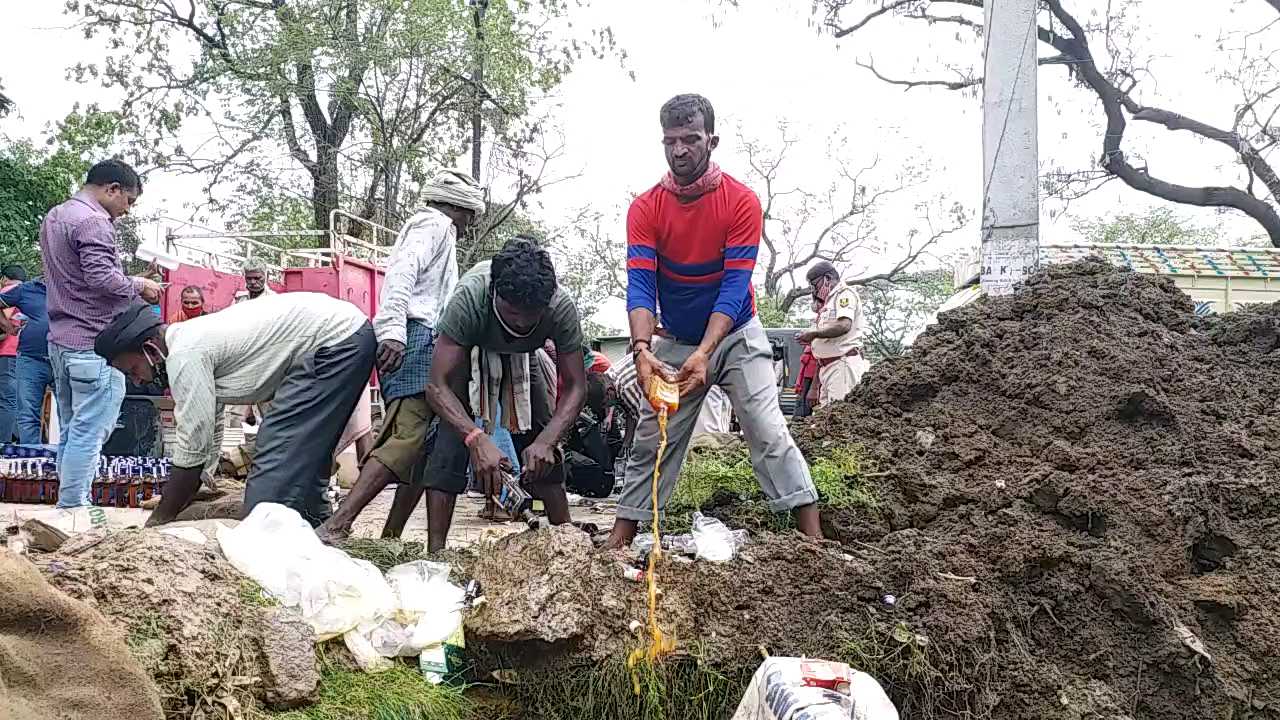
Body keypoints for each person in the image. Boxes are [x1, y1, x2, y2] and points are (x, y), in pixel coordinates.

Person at [603, 94, 822, 549]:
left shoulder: (740, 202)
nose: (679, 150)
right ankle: (621, 538)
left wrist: (706, 353)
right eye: (670, 141)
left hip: (737, 334)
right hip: (678, 339)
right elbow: (640, 284)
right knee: (651, 434)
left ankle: (814, 538)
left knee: (766, 426)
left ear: (712, 140)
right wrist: (642, 350)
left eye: (690, 139)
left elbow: (734, 285)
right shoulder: (645, 209)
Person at [94, 292, 375, 526]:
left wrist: (161, 517)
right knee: (303, 459)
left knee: (271, 472)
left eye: (132, 370)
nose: (137, 380)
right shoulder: (188, 339)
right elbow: (211, 422)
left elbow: (194, 437)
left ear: (150, 350)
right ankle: (319, 532)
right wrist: (203, 478)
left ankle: (287, 546)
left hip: (335, 341)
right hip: (346, 333)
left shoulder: (184, 354)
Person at [316, 170, 485, 543]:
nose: (472, 221)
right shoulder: (434, 225)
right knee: (406, 435)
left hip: (421, 336)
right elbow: (401, 273)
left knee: (420, 447)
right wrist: (392, 330)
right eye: (471, 213)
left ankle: (390, 537)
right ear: (458, 206)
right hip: (414, 336)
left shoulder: (439, 230)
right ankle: (337, 524)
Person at [399, 237, 586, 552]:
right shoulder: (470, 297)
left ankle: (567, 545)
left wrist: (546, 442)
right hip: (469, 351)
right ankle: (437, 553)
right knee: (449, 441)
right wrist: (475, 437)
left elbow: (577, 386)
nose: (523, 323)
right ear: (495, 292)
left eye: (532, 315)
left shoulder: (559, 306)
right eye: (513, 313)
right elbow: (437, 385)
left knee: (542, 440)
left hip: (529, 358)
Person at [40, 160, 162, 509]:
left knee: (72, 431)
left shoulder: (56, 216)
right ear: (112, 189)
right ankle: (74, 507)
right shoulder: (95, 221)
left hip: (61, 342)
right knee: (89, 433)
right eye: (128, 201)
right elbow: (101, 280)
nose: (126, 210)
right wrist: (140, 284)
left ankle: (69, 503)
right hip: (97, 344)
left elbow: (82, 278)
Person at [796, 261, 865, 406]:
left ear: (827, 278)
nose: (813, 290)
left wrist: (814, 334)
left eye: (815, 285)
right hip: (828, 368)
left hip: (842, 365)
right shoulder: (828, 303)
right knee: (826, 417)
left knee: (839, 417)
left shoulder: (844, 295)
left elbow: (844, 325)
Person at [0, 271, 53, 444]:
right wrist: (8, 327)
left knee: (69, 413)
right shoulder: (26, 289)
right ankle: (30, 461)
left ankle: (67, 462)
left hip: (64, 357)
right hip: (30, 359)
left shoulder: (70, 287)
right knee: (27, 415)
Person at [0, 266, 22, 443]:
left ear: (4, 278)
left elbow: (5, 318)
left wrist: (8, 328)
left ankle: (4, 442)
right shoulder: (27, 293)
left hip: (6, 351)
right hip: (16, 353)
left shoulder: (8, 291)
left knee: (7, 399)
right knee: (11, 399)